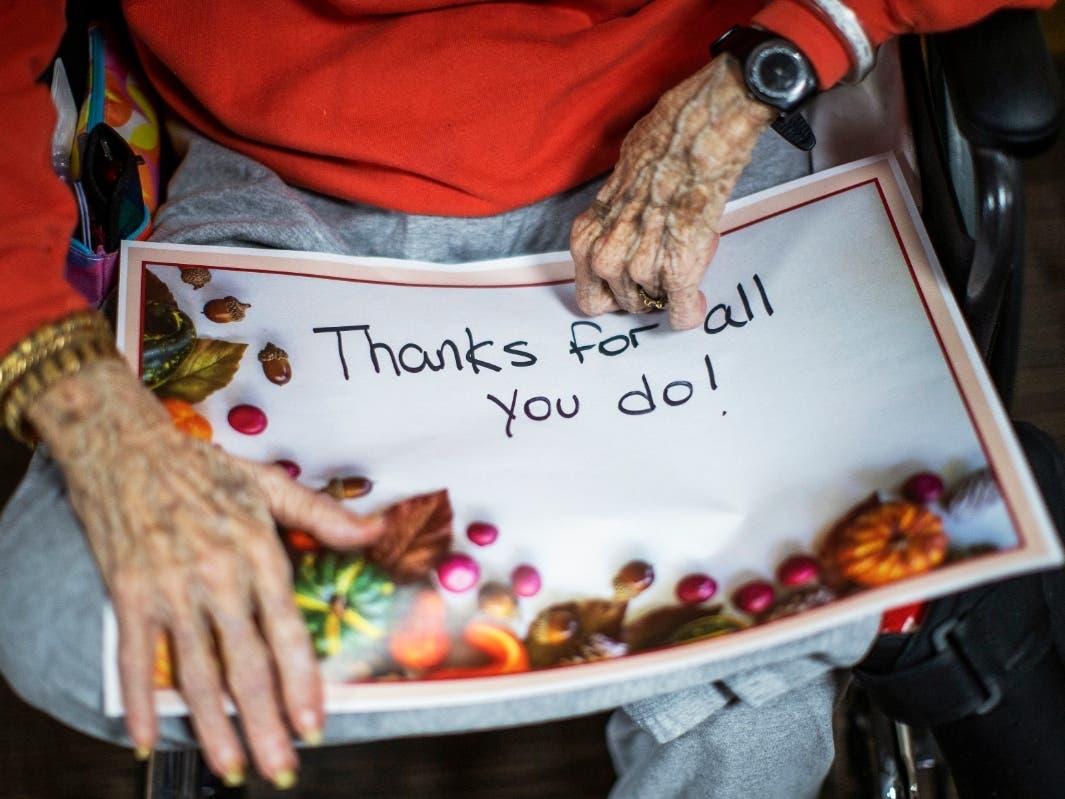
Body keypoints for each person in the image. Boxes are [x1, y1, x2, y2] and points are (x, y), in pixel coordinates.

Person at [0, 1, 1053, 795]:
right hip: (271, 180)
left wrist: (795, 44)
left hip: (690, 121)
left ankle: (842, 618)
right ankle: (899, 615)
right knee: (68, 616)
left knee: (758, 706)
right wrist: (81, 398)